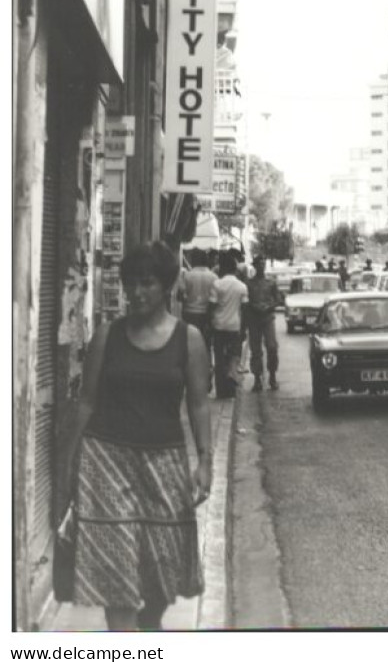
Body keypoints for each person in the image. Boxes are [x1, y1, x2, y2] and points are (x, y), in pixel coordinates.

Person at [63, 242, 210, 630]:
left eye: (147, 283)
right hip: (106, 464)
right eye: (131, 284)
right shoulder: (107, 336)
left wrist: (205, 462)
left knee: (164, 569)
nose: (137, 292)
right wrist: (68, 464)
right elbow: (86, 403)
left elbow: (198, 404)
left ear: (166, 286)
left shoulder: (188, 339)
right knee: (117, 576)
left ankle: (149, 627)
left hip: (165, 462)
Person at [210, 250, 249, 398]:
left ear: (222, 268)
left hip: (219, 326)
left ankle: (221, 391)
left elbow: (212, 306)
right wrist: (244, 329)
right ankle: (231, 386)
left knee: (219, 359)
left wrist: (210, 322)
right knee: (233, 356)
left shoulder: (217, 284)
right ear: (234, 269)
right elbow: (245, 310)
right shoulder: (241, 287)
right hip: (234, 327)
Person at [247, 256, 281, 391]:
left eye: (263, 264)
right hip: (254, 319)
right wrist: (253, 306)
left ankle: (272, 376)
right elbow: (246, 300)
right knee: (255, 350)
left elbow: (278, 299)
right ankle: (257, 379)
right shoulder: (248, 283)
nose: (262, 266)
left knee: (272, 347)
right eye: (259, 264)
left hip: (268, 318)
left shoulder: (271, 282)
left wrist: (269, 306)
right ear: (255, 266)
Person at [176, 248, 216, 360]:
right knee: (206, 342)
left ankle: (191, 365)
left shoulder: (187, 276)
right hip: (207, 315)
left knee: (190, 342)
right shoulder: (213, 277)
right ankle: (207, 367)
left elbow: (179, 296)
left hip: (190, 314)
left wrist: (187, 300)